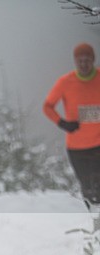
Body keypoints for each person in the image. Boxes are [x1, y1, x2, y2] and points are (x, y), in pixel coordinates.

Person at [44, 42, 100, 221]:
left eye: (87, 60)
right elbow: (48, 106)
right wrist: (62, 123)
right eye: (80, 60)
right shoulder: (66, 82)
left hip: (98, 143)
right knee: (87, 187)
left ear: (93, 60)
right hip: (77, 147)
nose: (84, 64)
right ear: (75, 62)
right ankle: (95, 223)